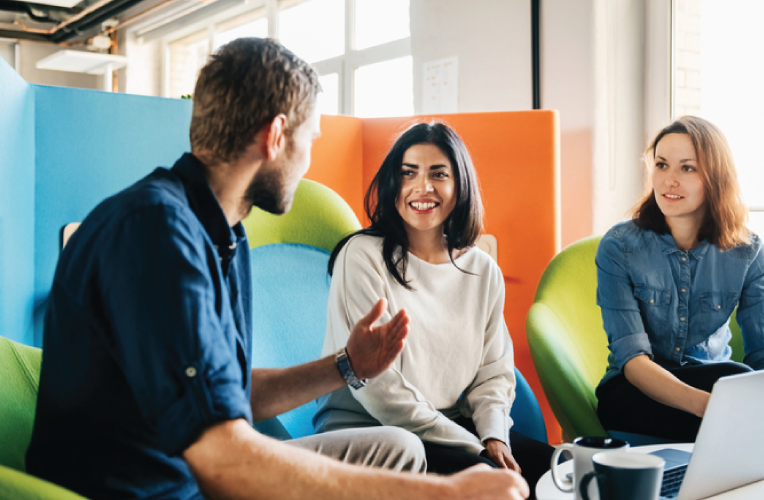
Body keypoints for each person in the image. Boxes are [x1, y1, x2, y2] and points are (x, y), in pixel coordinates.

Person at [25, 38, 529, 500]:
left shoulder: (224, 234)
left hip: (195, 468)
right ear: (276, 135)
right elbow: (222, 459)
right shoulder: (156, 234)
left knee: (396, 452)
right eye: (309, 141)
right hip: (156, 488)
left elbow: (227, 394)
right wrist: (450, 494)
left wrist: (346, 366)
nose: (308, 161)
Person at [313, 121, 554, 493]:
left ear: (460, 186)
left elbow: (494, 372)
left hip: (451, 426)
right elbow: (378, 388)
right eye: (408, 173)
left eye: (438, 174)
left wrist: (494, 437)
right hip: (374, 430)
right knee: (499, 486)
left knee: (561, 470)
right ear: (393, 184)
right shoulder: (361, 256)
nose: (421, 187)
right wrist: (473, 446)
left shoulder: (481, 269)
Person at [594, 115, 764, 442]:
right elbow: (633, 360)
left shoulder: (749, 252)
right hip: (635, 390)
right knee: (735, 391)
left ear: (715, 178)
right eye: (661, 165)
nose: (669, 180)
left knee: (737, 378)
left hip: (713, 382)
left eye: (687, 168)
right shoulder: (619, 247)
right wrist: (709, 407)